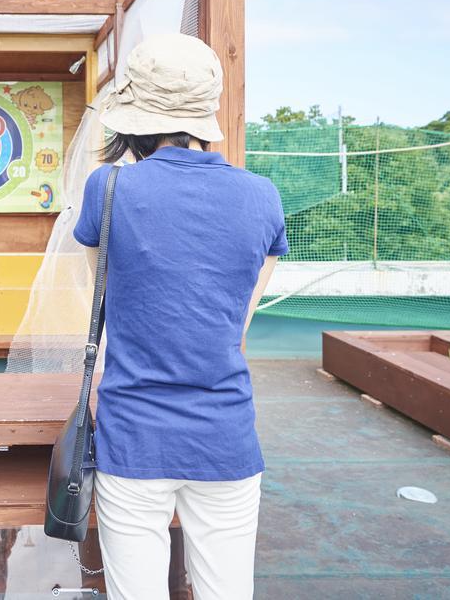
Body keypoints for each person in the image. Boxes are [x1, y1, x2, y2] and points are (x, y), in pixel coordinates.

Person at [73, 34, 287, 600]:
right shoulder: (263, 196)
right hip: (226, 434)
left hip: (132, 433)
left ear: (136, 117)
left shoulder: (109, 186)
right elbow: (235, 325)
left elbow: (108, 294)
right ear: (203, 115)